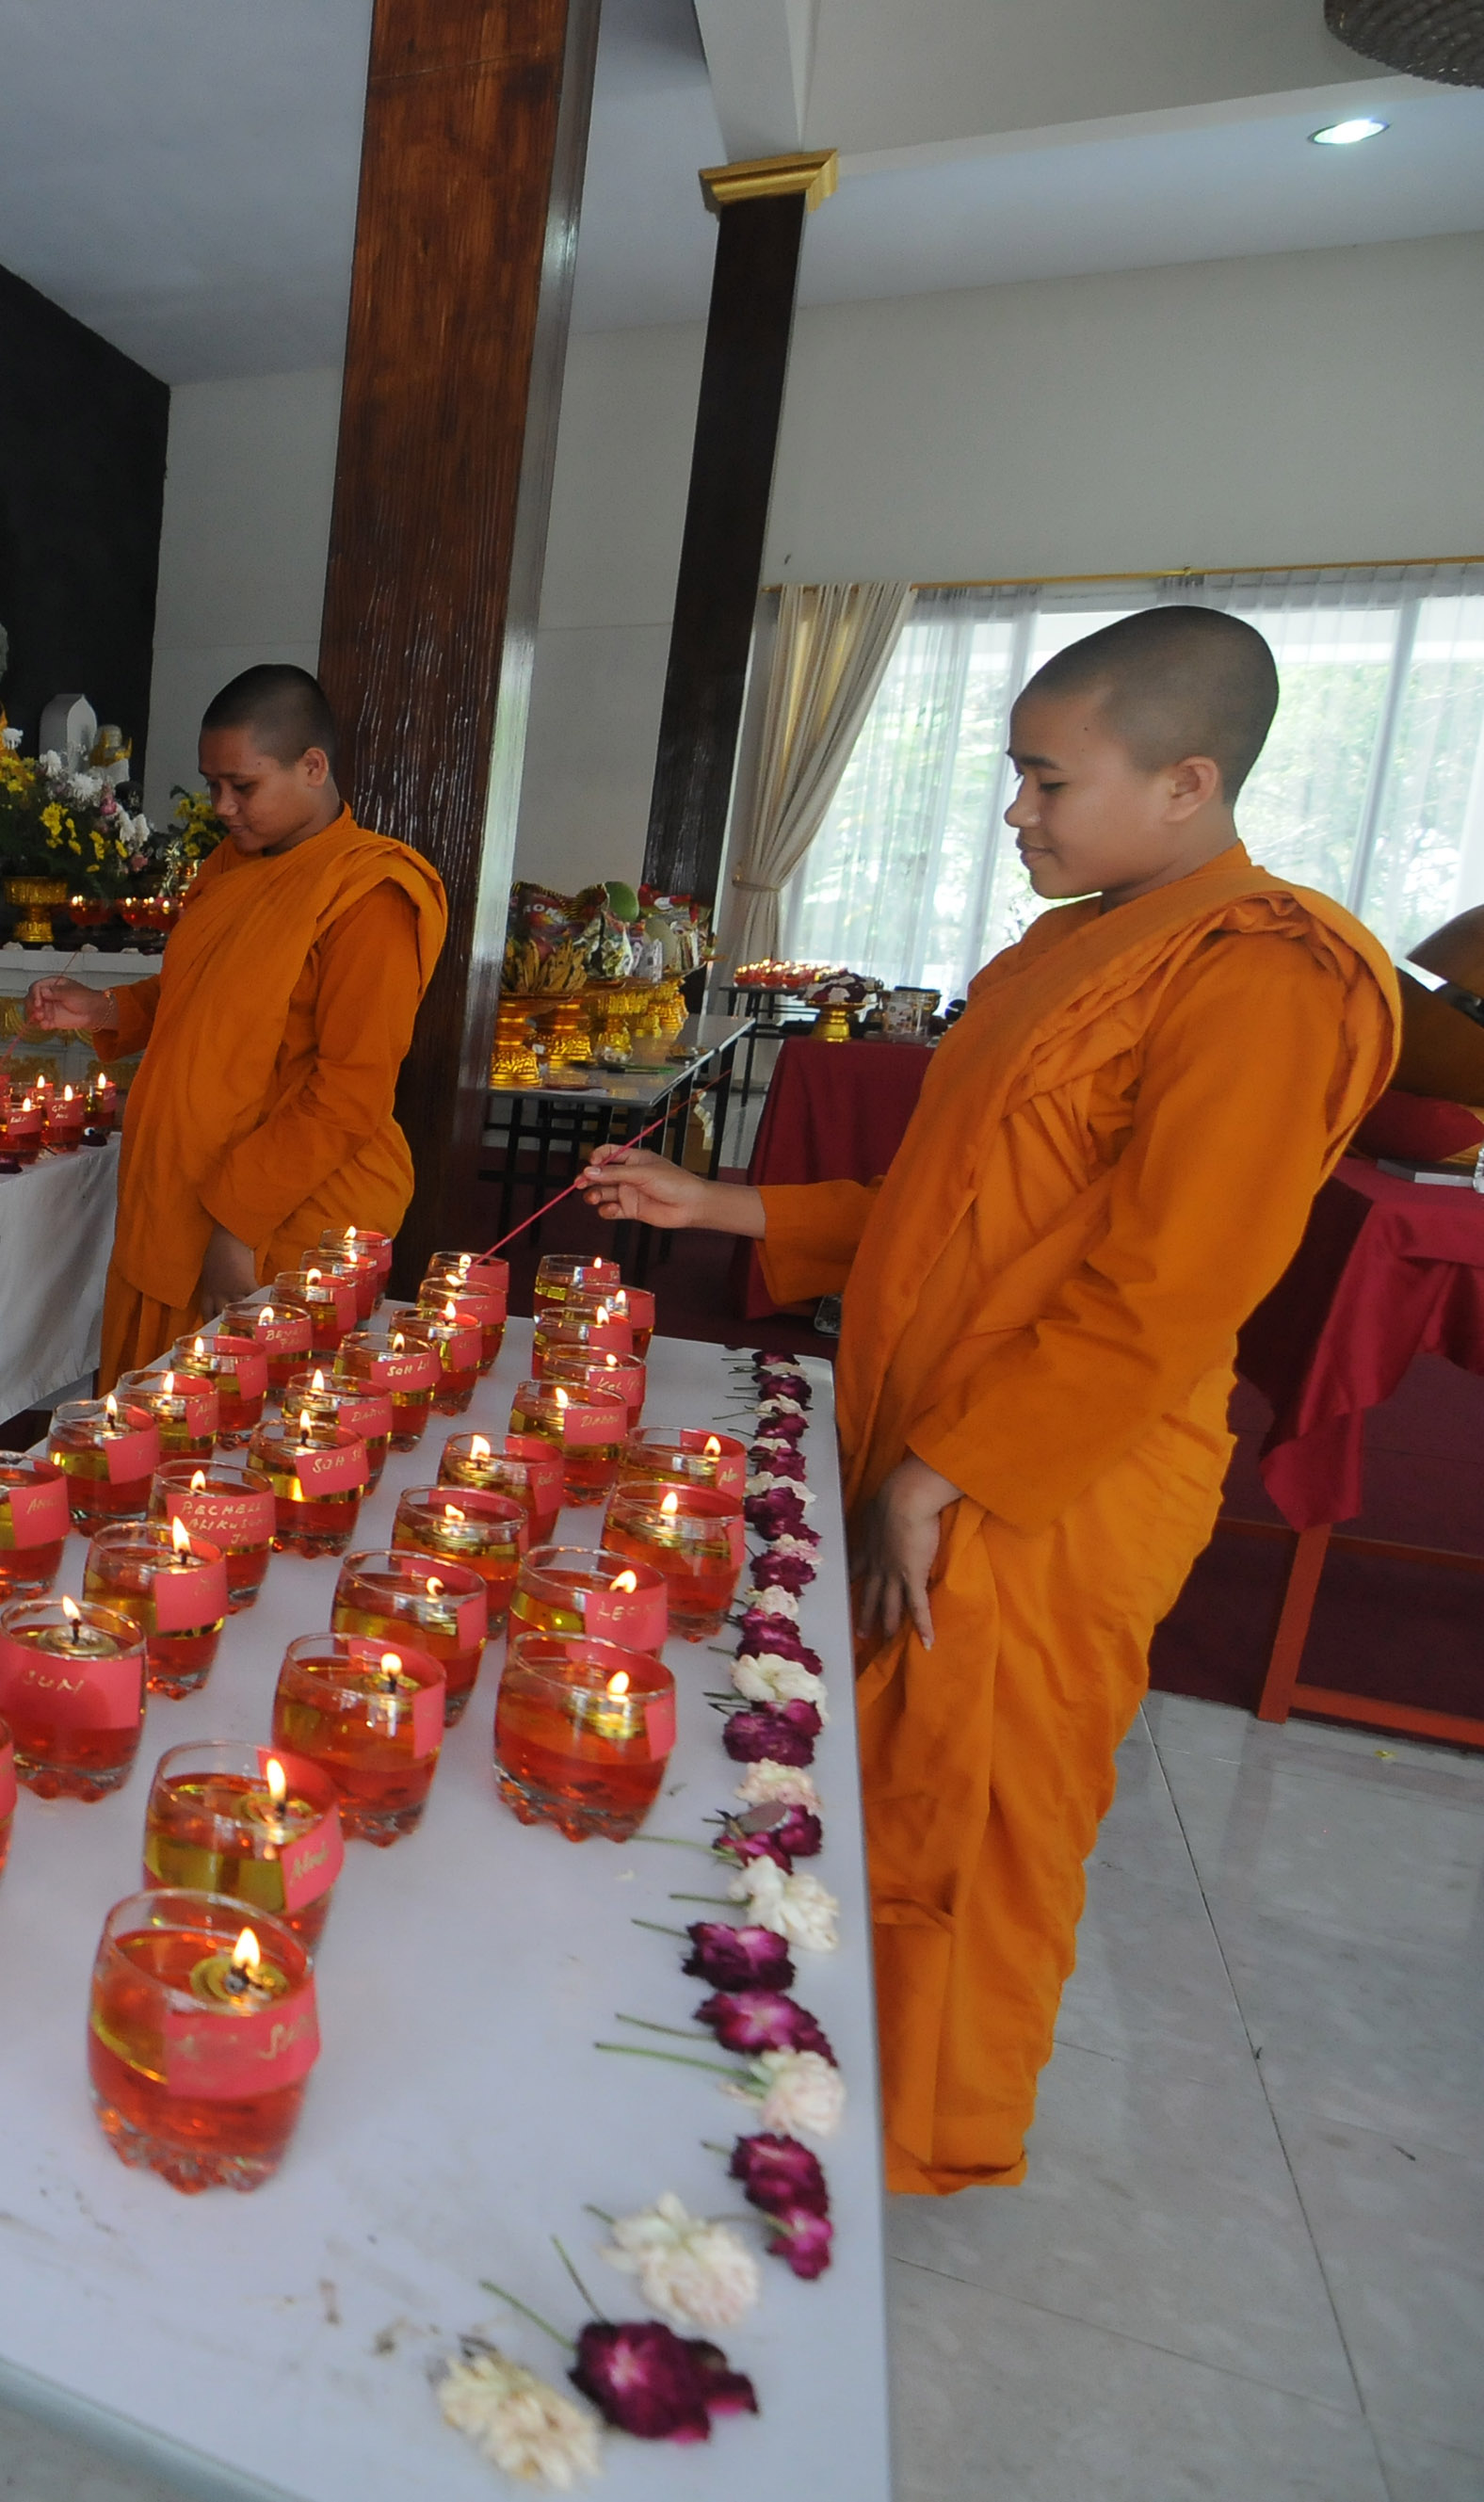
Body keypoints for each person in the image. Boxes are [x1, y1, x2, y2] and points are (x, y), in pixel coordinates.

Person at [582, 606, 1399, 2194]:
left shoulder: (1262, 978)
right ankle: (816, 2069)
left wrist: (945, 1472)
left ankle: (916, 2144)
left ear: (1187, 782)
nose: (1015, 811)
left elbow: (1172, 1287)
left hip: (1050, 1477)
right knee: (878, 1782)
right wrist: (724, 1208)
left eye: (1045, 778)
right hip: (938, 1434)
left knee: (978, 1814)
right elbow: (952, 1198)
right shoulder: (1067, 945)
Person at [26, 665, 444, 1390]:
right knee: (146, 1440)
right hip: (178, 1194)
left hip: (277, 1217)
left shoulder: (369, 896)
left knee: (240, 1457)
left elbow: (351, 1091)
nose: (220, 806)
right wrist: (108, 1011)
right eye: (211, 783)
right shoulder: (232, 865)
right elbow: (205, 995)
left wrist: (237, 1224)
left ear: (312, 767)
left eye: (241, 786)